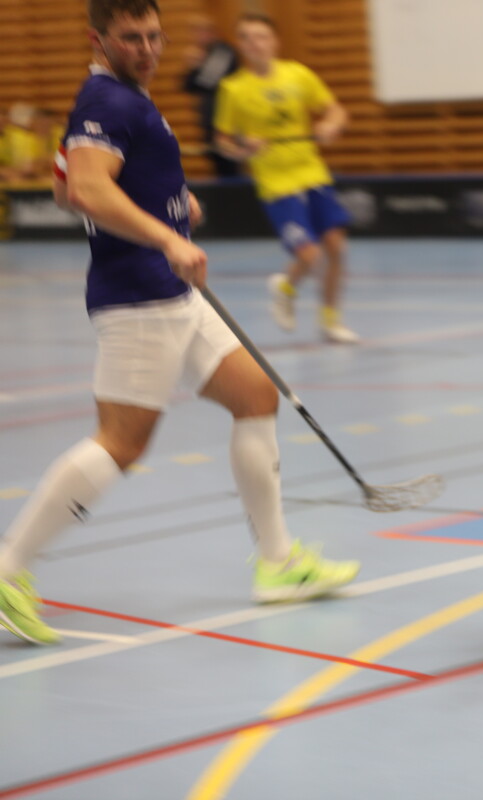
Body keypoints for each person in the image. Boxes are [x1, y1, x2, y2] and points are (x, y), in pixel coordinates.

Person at [0, 0, 359, 647]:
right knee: (121, 441)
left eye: (154, 36)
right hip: (140, 296)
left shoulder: (117, 99)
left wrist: (170, 205)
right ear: (98, 38)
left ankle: (279, 563)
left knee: (255, 394)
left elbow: (63, 183)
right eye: (130, 38)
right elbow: (85, 190)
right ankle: (6, 569)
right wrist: (166, 237)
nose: (147, 49)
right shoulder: (106, 100)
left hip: (174, 294)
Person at [213, 13, 358, 345]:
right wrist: (244, 148)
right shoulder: (233, 89)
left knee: (336, 247)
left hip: (312, 173)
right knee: (309, 255)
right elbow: (222, 142)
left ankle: (331, 321)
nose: (255, 43)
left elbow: (336, 111)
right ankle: (286, 288)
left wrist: (330, 125)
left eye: (261, 36)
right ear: (241, 46)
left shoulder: (298, 75)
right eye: (247, 37)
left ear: (275, 42)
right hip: (277, 184)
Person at [181, 13, 239, 177]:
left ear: (212, 32)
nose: (198, 36)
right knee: (219, 166)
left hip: (228, 120)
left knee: (230, 168)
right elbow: (187, 86)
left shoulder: (223, 51)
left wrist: (197, 66)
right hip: (211, 120)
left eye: (201, 31)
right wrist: (193, 67)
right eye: (194, 32)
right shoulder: (205, 53)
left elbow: (205, 81)